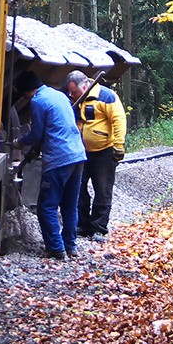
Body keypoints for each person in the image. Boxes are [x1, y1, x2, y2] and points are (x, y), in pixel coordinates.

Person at [15, 70, 87, 260]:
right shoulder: (60, 95)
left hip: (59, 158)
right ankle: (70, 246)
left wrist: (20, 142)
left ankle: (56, 248)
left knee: (46, 206)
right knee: (70, 205)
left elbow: (37, 134)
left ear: (27, 92)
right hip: (78, 154)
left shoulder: (38, 101)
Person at [65, 70, 128, 242]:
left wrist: (118, 146)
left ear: (84, 86)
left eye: (75, 92)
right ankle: (83, 224)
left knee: (102, 189)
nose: (71, 95)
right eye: (70, 92)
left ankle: (99, 227)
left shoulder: (106, 96)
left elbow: (119, 120)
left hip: (104, 151)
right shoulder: (72, 99)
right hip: (80, 151)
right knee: (79, 188)